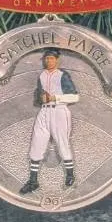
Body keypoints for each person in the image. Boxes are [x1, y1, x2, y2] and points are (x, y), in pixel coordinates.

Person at [20, 48, 80, 194]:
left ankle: (70, 175)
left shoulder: (62, 75)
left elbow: (75, 97)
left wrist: (55, 97)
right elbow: (39, 97)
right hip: (44, 111)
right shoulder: (42, 75)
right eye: (46, 58)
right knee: (37, 143)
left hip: (59, 110)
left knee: (62, 142)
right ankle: (33, 181)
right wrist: (40, 99)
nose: (48, 61)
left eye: (51, 58)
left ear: (57, 60)